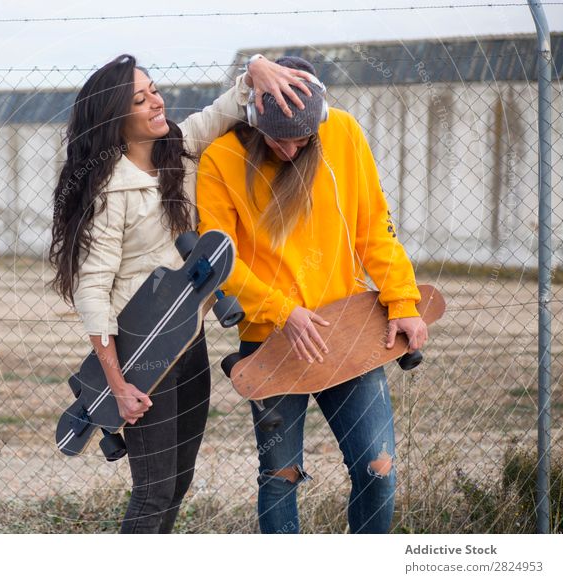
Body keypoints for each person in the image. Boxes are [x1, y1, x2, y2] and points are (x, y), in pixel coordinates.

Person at [49, 53, 314, 533]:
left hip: (188, 338)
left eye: (154, 89)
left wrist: (256, 66)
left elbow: (226, 107)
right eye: (141, 98)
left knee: (179, 480)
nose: (157, 101)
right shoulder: (109, 190)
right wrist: (116, 383)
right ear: (114, 116)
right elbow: (92, 290)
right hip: (140, 353)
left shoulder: (179, 146)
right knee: (154, 490)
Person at [196, 56, 429, 534]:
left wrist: (402, 301)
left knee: (377, 469)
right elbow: (219, 260)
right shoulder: (220, 159)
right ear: (254, 117)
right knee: (280, 476)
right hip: (271, 343)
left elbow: (374, 230)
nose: (287, 149)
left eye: (300, 139)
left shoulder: (344, 134)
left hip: (348, 333)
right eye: (276, 138)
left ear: (320, 119)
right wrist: (284, 311)